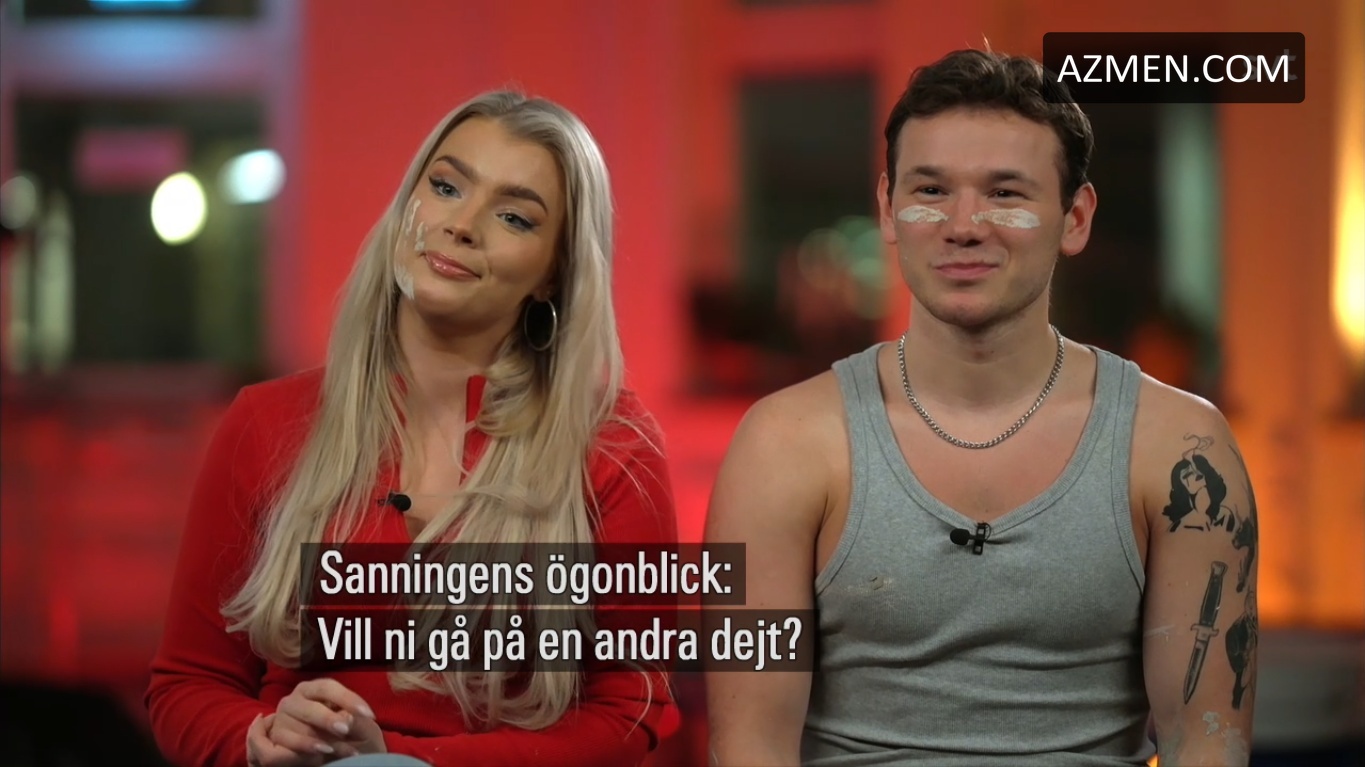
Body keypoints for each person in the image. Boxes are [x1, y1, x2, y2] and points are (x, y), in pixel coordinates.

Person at [705, 49, 1259, 766]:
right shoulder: (782, 444)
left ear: (1074, 217)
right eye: (931, 189)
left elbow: (1206, 744)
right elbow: (749, 746)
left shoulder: (1181, 448)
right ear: (887, 209)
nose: (962, 224)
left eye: (1004, 192)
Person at [146, 90, 679, 767]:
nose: (462, 225)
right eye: (447, 186)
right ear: (407, 206)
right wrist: (261, 739)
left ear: (554, 274)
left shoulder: (614, 446)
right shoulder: (266, 423)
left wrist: (398, 761)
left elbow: (629, 709)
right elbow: (187, 683)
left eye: (514, 217)